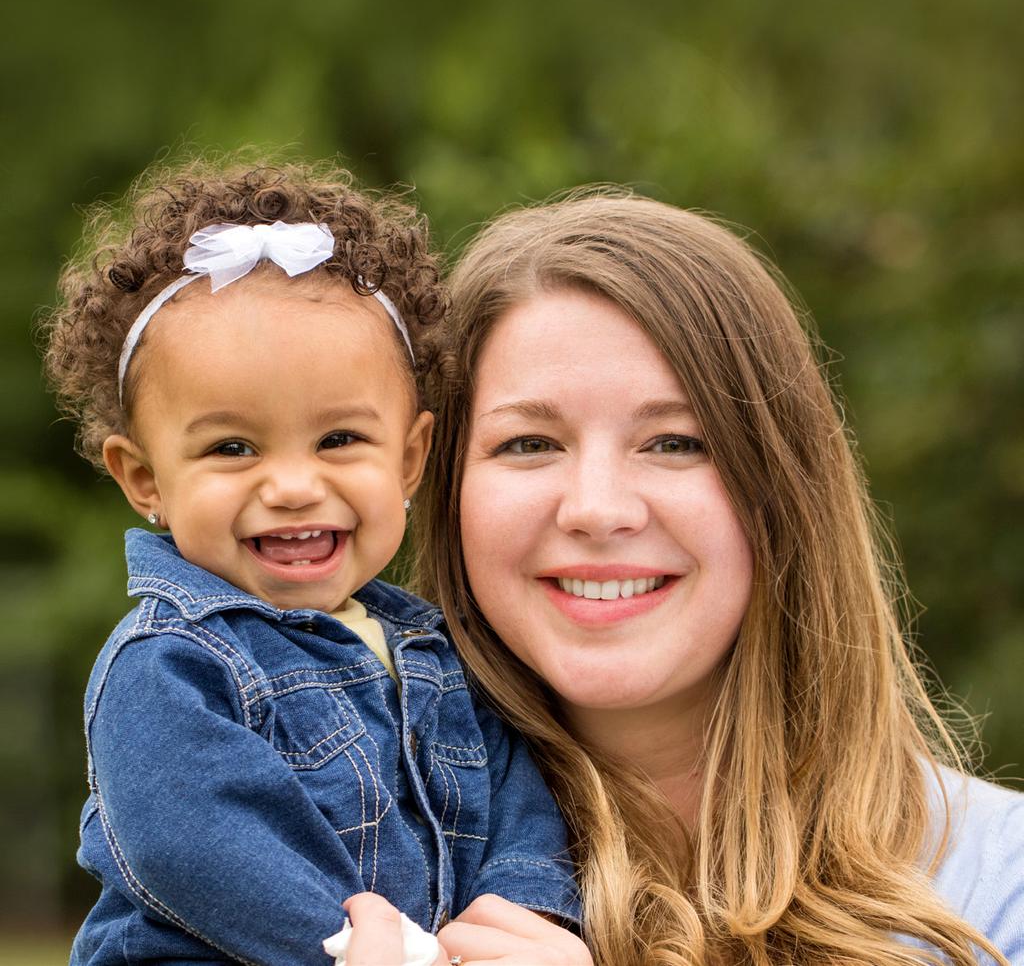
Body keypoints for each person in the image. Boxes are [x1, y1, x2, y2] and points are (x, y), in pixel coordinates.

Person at [348, 191, 1022, 965]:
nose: (597, 510)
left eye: (674, 443)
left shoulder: (997, 889)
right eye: (529, 443)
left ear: (782, 490)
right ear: (443, 489)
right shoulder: (333, 852)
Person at [44, 161, 579, 966]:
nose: (293, 486)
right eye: (232, 447)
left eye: (338, 440)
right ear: (145, 478)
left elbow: (517, 807)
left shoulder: (441, 655)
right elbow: (195, 843)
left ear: (409, 459)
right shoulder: (170, 663)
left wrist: (526, 920)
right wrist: (382, 949)